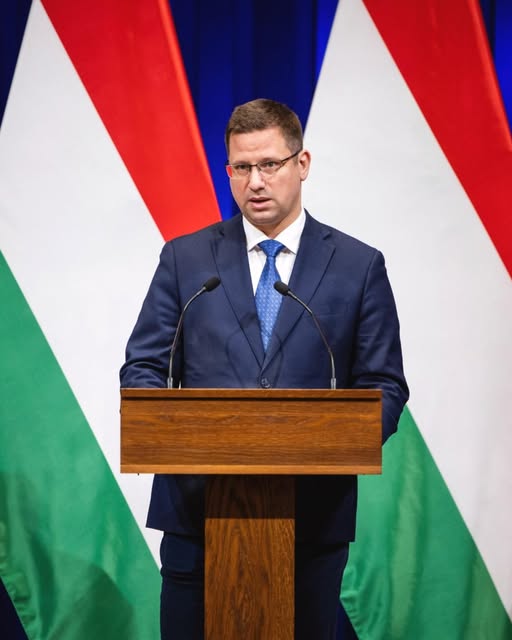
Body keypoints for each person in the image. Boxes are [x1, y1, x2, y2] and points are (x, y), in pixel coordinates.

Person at [120, 98, 409, 640]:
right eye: (242, 167)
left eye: (269, 164)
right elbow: (143, 366)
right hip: (196, 512)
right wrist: (170, 428)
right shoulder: (186, 260)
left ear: (302, 163)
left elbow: (385, 383)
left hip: (313, 518)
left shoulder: (357, 265)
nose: (255, 181)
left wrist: (330, 441)